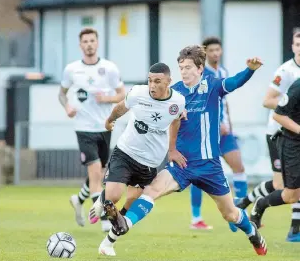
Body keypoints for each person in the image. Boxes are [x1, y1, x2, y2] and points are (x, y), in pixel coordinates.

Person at [94, 45, 267, 257]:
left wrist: (250, 70)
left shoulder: (213, 86)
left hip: (210, 165)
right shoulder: (175, 94)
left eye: (187, 67)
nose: (183, 72)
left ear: (200, 68)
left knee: (230, 214)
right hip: (182, 164)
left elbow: (234, 82)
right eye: (180, 67)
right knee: (151, 192)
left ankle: (252, 233)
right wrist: (171, 150)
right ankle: (120, 228)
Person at [88, 62, 186, 242]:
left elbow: (176, 121)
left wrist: (172, 150)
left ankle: (117, 221)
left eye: (157, 81)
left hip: (149, 163)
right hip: (126, 153)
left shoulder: (178, 101)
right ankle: (103, 201)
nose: (152, 86)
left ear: (169, 82)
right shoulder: (138, 93)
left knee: (132, 201)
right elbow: (120, 107)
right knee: (113, 197)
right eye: (150, 80)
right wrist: (110, 120)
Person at [58, 28, 125, 231]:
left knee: (99, 173)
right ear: (80, 45)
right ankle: (104, 219)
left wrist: (107, 98)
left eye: (92, 41)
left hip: (105, 126)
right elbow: (62, 94)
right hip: (83, 127)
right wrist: (67, 106)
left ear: (97, 43)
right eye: (85, 41)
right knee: (96, 172)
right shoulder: (71, 70)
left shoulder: (109, 68)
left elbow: (122, 95)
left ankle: (79, 200)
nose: (89, 44)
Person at [237, 32, 300, 241]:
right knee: (284, 187)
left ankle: (294, 229)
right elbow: (268, 101)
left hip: (291, 131)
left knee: (288, 186)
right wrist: (290, 105)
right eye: (298, 44)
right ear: (292, 46)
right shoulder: (286, 72)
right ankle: (253, 203)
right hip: (279, 132)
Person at [189, 37, 247, 230]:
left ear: (221, 51)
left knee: (238, 167)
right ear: (206, 53)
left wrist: (227, 123)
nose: (215, 53)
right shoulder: (201, 74)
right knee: (197, 174)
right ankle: (196, 218)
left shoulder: (223, 72)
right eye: (211, 50)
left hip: (224, 133)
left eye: (217, 50)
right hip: (206, 133)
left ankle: (241, 210)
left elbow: (224, 102)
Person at [250, 78, 300, 242]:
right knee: (291, 196)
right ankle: (261, 203)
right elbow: (278, 115)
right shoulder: (298, 86)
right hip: (293, 144)